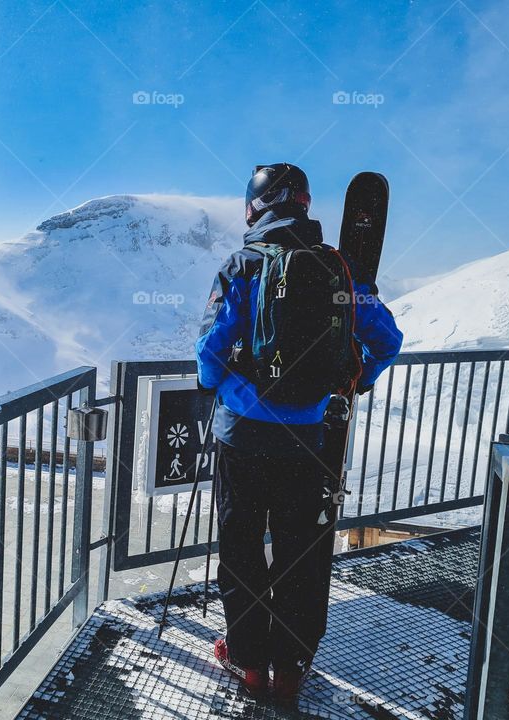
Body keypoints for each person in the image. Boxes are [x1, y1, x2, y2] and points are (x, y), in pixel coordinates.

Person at [195, 163, 402, 701]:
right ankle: (290, 668)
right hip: (309, 440)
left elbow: (210, 350)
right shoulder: (340, 269)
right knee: (301, 551)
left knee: (241, 548)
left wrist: (213, 385)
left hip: (240, 436)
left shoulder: (242, 264)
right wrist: (355, 382)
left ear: (254, 208)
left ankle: (248, 663)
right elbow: (388, 341)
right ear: (305, 205)